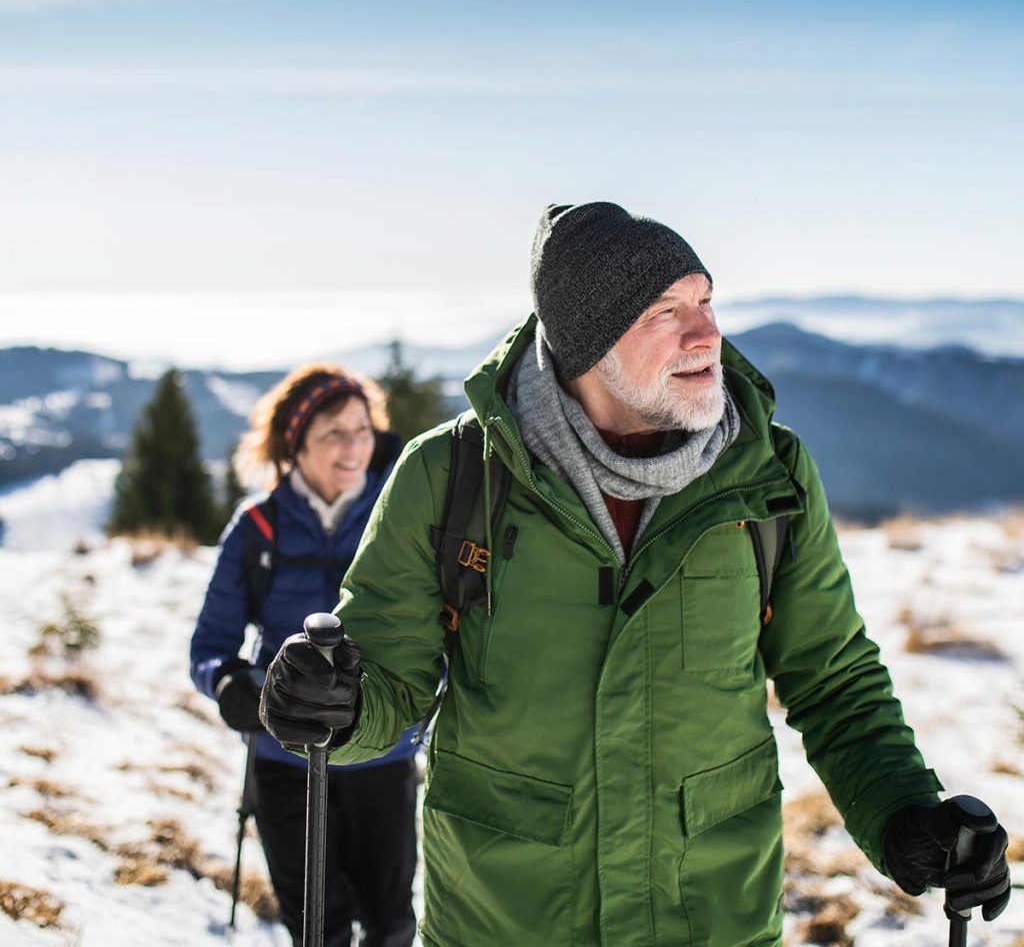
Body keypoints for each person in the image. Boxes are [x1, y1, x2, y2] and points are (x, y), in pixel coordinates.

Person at [259, 203, 1011, 947]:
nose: (706, 333)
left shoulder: (768, 476)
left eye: (706, 300)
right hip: (504, 920)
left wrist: (905, 813)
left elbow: (833, 679)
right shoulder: (451, 475)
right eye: (665, 311)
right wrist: (339, 708)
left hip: (710, 918)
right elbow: (391, 680)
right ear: (590, 345)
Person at [190, 364, 418, 947]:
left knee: (392, 925)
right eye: (332, 433)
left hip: (382, 758)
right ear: (297, 444)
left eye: (362, 429)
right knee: (320, 931)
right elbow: (210, 647)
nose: (353, 447)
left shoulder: (401, 520)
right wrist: (230, 686)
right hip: (284, 761)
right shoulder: (258, 529)